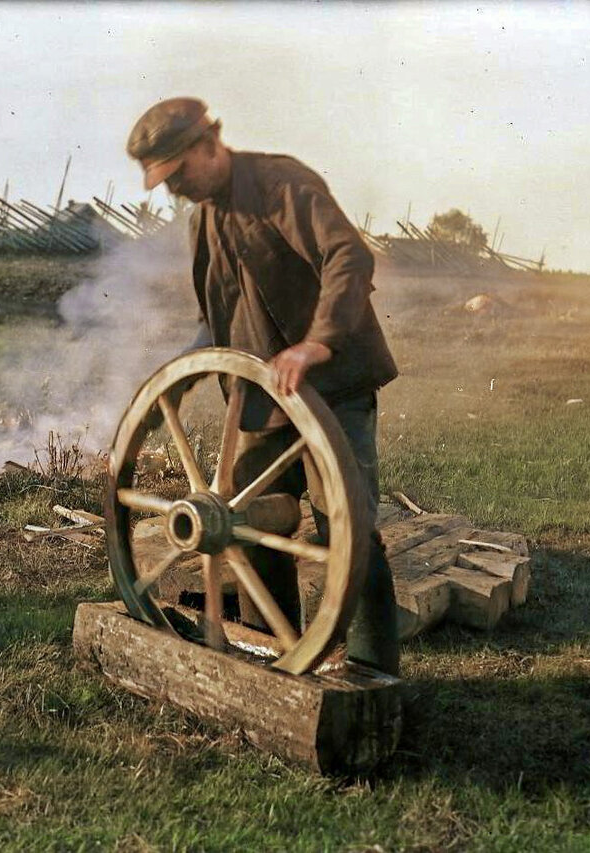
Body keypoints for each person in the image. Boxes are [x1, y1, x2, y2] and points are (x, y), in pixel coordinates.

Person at [126, 97, 400, 675]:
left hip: (332, 388)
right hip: (262, 398)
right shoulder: (203, 218)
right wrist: (174, 382)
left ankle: (375, 672)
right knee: (242, 522)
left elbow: (347, 256)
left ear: (210, 144)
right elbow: (214, 321)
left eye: (180, 174)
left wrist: (316, 341)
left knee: (345, 525)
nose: (177, 190)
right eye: (166, 182)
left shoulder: (279, 184)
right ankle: (269, 654)